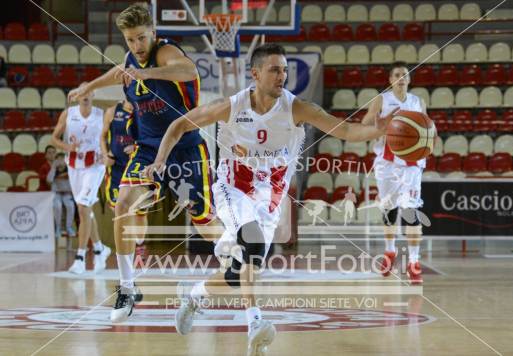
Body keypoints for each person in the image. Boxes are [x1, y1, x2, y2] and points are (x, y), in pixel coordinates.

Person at [145, 43, 393, 356]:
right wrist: (159, 161)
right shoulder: (231, 106)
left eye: (285, 70)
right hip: (233, 188)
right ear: (256, 74)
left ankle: (194, 295)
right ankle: (255, 323)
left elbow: (344, 131)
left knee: (238, 273)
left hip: (270, 198)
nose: (282, 76)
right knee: (253, 244)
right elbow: (179, 124)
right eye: (275, 70)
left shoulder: (297, 108)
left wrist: (377, 130)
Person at [68, 3, 218, 323]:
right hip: (148, 148)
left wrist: (147, 73)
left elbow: (188, 70)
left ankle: (236, 255)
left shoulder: (164, 53)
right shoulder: (129, 59)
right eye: (130, 40)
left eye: (141, 38)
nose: (136, 45)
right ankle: (126, 287)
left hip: (185, 147)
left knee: (205, 224)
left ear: (153, 32)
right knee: (123, 203)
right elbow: (117, 71)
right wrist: (89, 87)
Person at [361, 61, 427, 285]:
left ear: (409, 79)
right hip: (387, 161)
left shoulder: (418, 102)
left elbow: (427, 129)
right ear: (390, 80)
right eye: (397, 74)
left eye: (405, 75)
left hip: (411, 161)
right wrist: (382, 124)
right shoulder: (382, 100)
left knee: (412, 209)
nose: (401, 78)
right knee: (389, 209)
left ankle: (414, 262)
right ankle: (390, 252)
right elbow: (364, 124)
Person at [51, 84, 111, 275]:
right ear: (76, 96)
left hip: (95, 166)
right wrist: (67, 147)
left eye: (88, 92)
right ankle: (101, 248)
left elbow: (111, 138)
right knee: (85, 210)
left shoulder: (101, 114)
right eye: (81, 92)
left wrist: (107, 152)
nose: (85, 95)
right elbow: (54, 139)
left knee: (83, 207)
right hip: (74, 165)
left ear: (93, 94)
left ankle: (80, 257)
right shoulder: (68, 113)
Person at [101, 100, 147, 260]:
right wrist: (105, 154)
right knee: (120, 210)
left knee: (139, 213)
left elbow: (150, 137)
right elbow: (102, 136)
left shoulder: (143, 109)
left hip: (137, 166)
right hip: (116, 168)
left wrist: (136, 148)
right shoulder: (113, 111)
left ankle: (140, 243)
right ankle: (127, 252)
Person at [47, 152, 76, 239]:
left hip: (67, 193)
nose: (60, 162)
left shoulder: (70, 169)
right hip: (56, 193)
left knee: (70, 205)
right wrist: (53, 167)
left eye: (62, 159)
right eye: (58, 159)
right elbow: (49, 180)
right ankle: (58, 228)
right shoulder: (54, 170)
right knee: (57, 206)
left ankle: (69, 227)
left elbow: (75, 180)